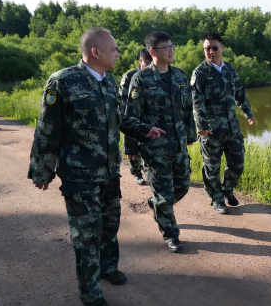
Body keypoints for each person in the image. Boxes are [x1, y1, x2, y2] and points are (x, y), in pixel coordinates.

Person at [27, 27, 164, 306]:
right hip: (80, 175)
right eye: (113, 49)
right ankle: (90, 293)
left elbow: (119, 119)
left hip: (110, 172)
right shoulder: (62, 82)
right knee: (87, 234)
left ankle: (108, 267)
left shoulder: (109, 82)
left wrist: (145, 129)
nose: (118, 53)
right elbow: (47, 129)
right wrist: (42, 169)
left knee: (109, 225)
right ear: (96, 51)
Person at [122, 31, 196, 253]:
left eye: (172, 46)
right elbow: (128, 119)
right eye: (166, 47)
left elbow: (187, 111)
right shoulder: (141, 79)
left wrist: (190, 135)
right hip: (155, 150)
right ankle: (171, 235)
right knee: (165, 195)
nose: (171, 50)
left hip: (179, 146)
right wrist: (142, 136)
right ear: (153, 52)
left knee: (182, 187)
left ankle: (156, 204)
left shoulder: (181, 76)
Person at [190, 31, 255, 214]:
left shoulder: (229, 69)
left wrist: (248, 112)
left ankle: (227, 189)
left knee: (238, 164)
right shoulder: (200, 73)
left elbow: (240, 93)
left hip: (232, 127)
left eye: (214, 48)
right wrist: (201, 126)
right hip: (211, 131)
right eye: (207, 48)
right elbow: (196, 102)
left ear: (222, 48)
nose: (211, 52)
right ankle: (217, 199)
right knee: (212, 167)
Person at [119, 48, 153, 185]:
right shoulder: (130, 76)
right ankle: (136, 171)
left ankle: (149, 171)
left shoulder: (153, 75)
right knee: (134, 146)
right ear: (140, 60)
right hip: (133, 116)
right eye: (147, 63)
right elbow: (125, 103)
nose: (150, 66)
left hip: (150, 118)